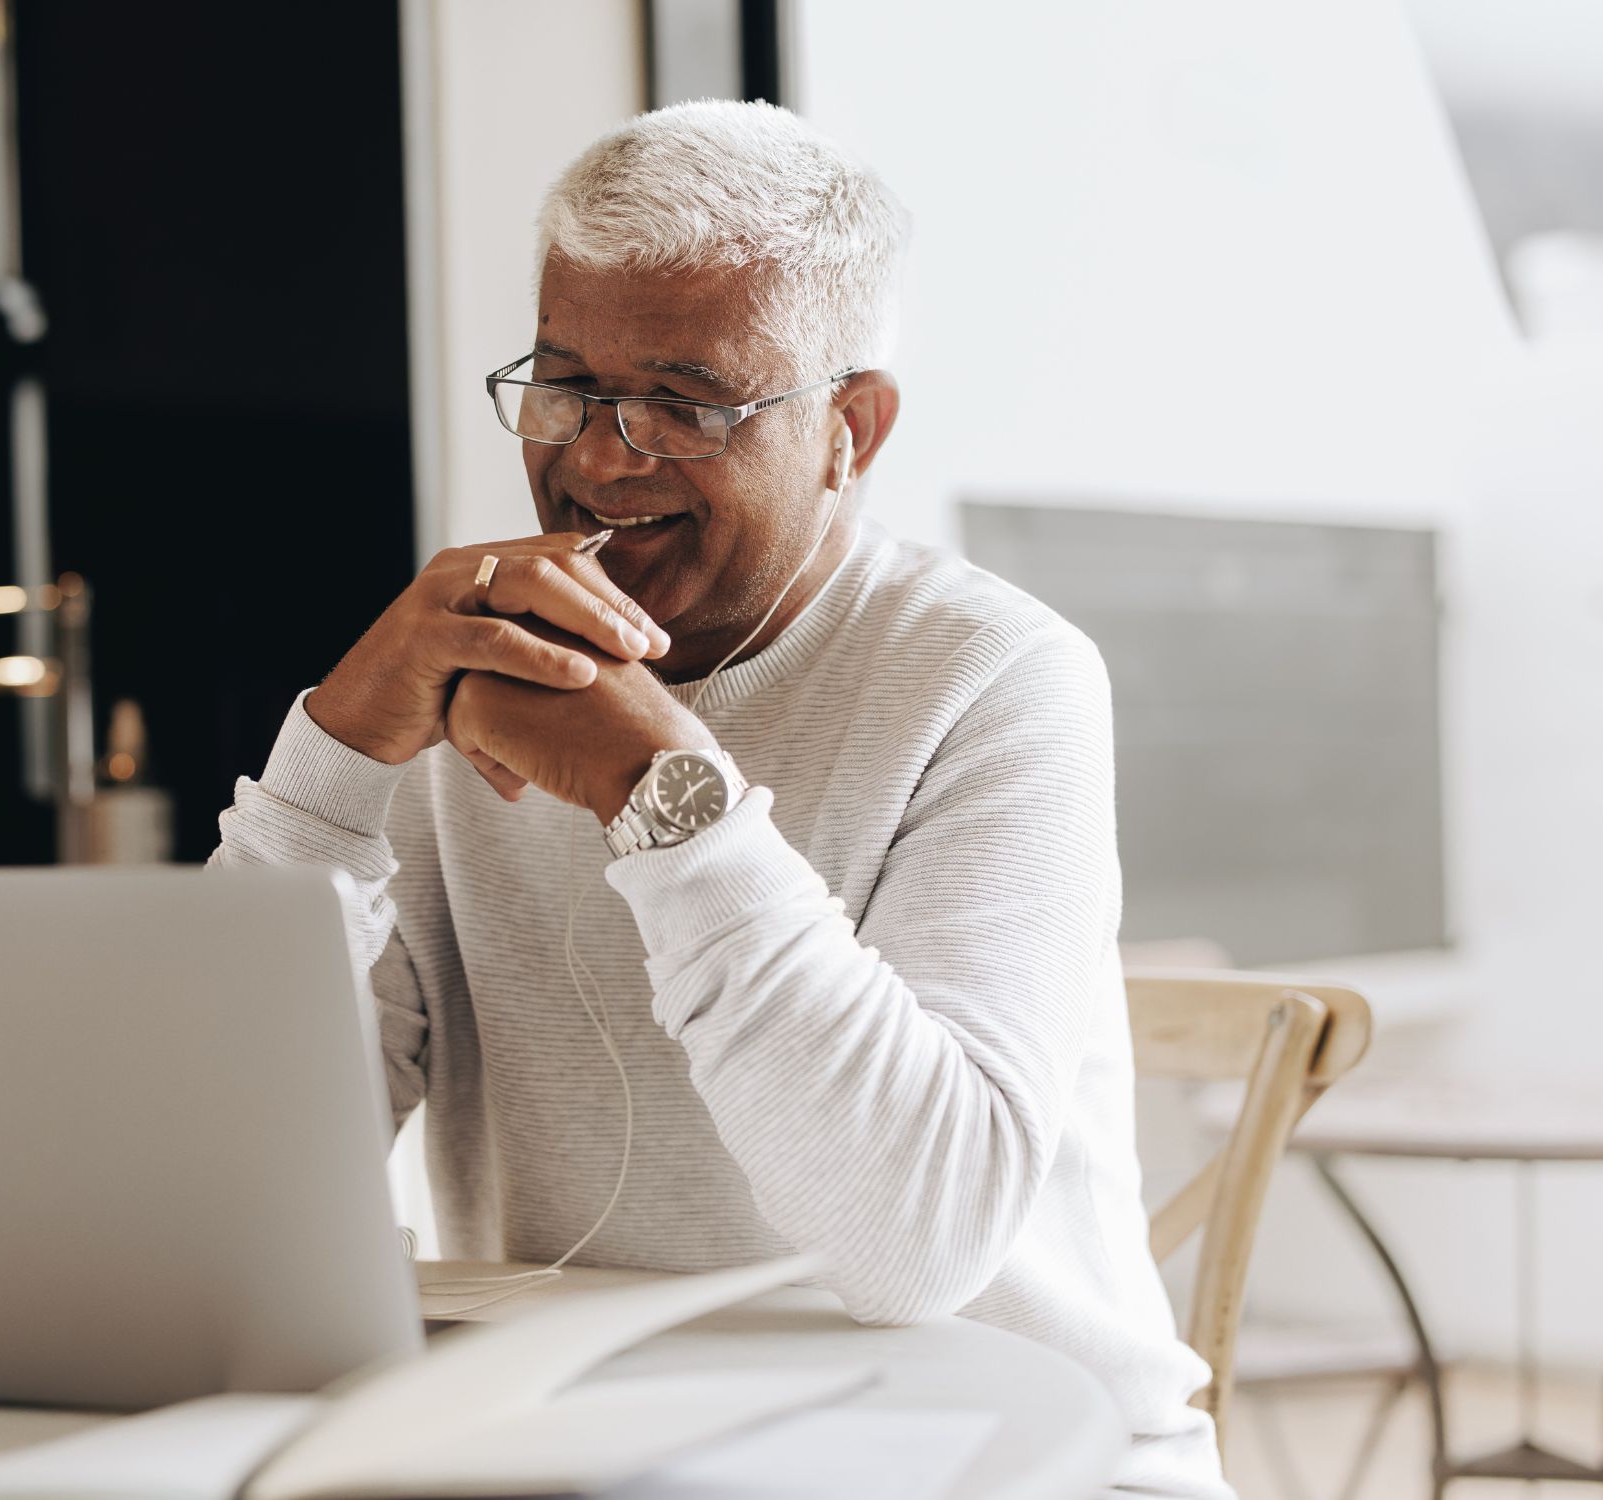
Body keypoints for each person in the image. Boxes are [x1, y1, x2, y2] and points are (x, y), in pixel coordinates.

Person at [212, 100, 1231, 1499]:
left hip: (1007, 1459)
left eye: (685, 406)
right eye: (565, 385)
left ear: (848, 431)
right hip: (605, 1447)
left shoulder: (999, 678)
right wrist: (333, 758)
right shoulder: (476, 666)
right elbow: (228, 1183)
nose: (601, 460)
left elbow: (909, 1245)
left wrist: (660, 795)